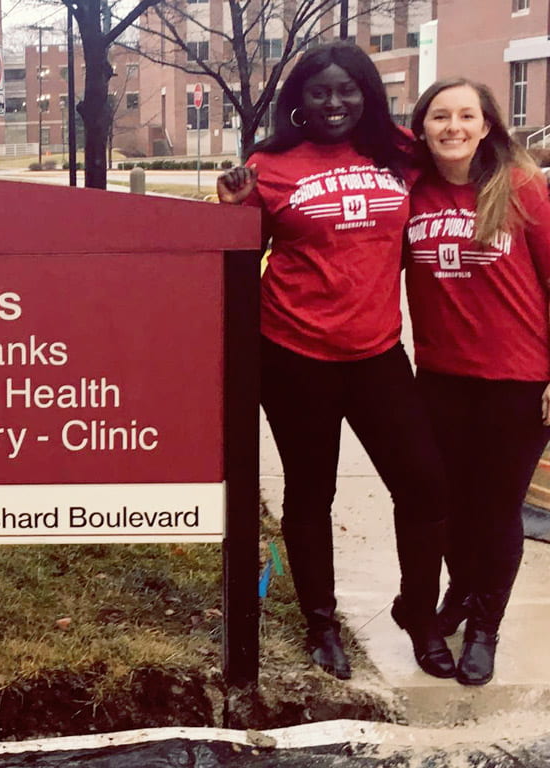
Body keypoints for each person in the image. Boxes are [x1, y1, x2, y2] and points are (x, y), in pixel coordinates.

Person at [216, 41, 454, 681]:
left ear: (367, 94)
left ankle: (419, 612)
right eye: (319, 91)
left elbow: (470, 168)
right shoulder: (271, 164)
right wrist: (234, 207)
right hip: (293, 353)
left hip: (377, 352)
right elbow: (242, 255)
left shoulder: (401, 155)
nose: (334, 102)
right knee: (310, 491)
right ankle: (321, 621)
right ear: (300, 99)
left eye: (347, 89)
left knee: (424, 485)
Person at [404, 78, 550, 686]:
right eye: (440, 116)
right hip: (440, 379)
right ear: (421, 127)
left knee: (495, 511)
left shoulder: (520, 188)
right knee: (449, 506)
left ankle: (485, 627)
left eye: (467, 115)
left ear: (487, 125)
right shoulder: (411, 191)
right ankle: (460, 596)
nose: (454, 127)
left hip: (518, 380)